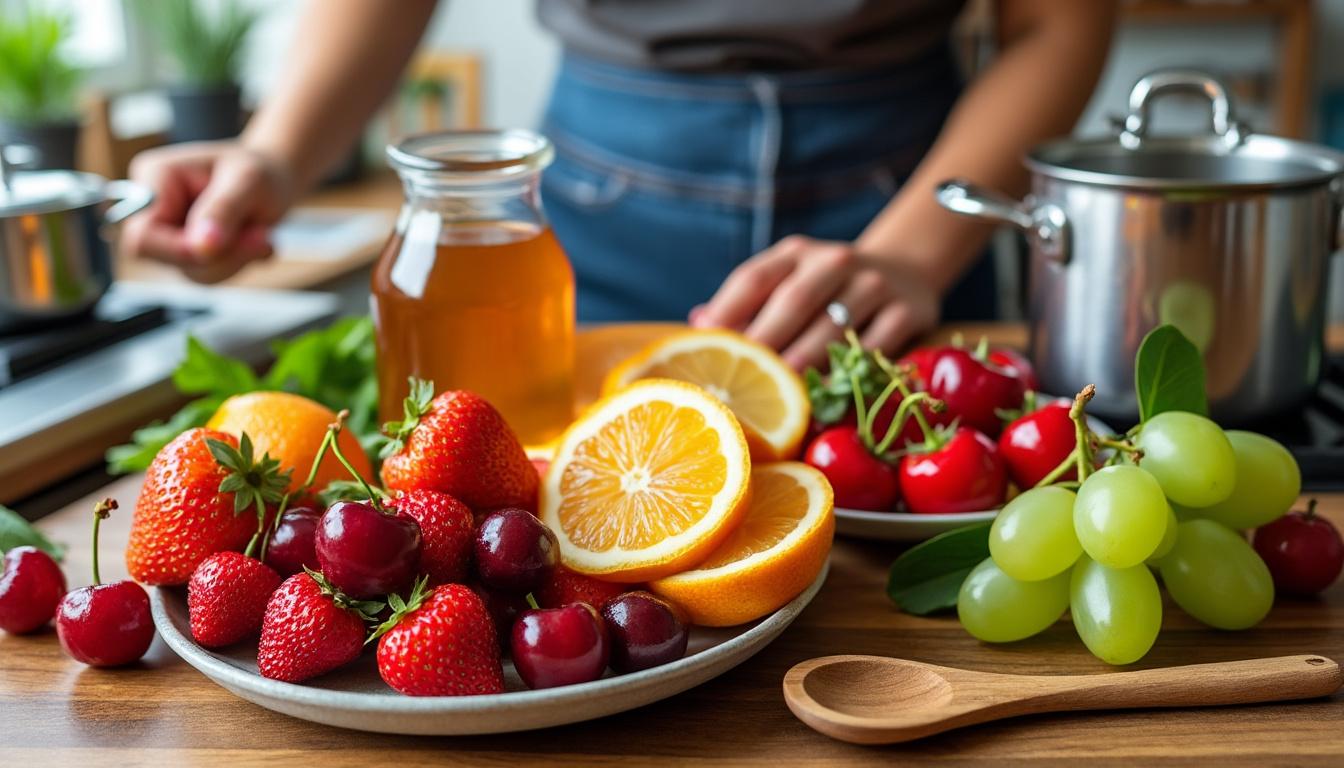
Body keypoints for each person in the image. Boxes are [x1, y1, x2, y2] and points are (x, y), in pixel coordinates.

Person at [122, 0, 1116, 370]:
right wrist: (276, 151)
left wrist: (909, 256)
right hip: (595, 205)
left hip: (915, 193)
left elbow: (1059, 19)